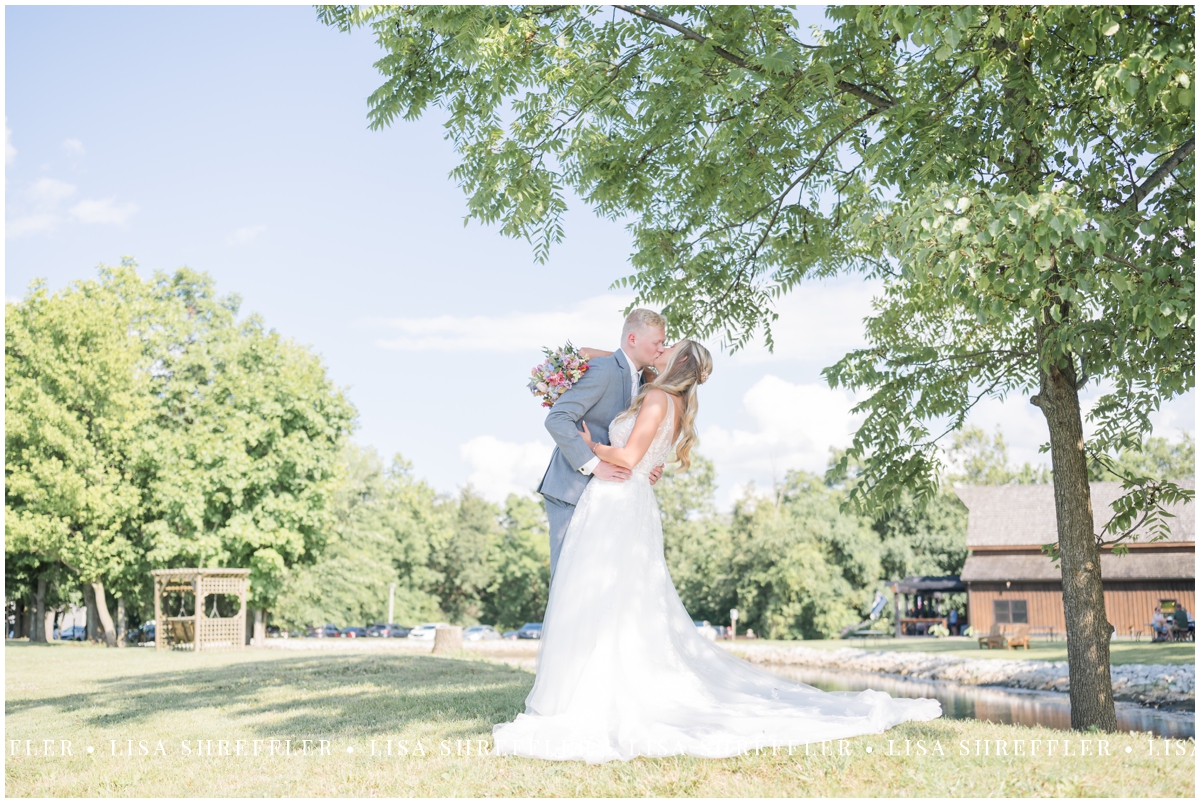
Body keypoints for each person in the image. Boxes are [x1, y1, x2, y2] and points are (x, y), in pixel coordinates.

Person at [492, 339, 942, 763]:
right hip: (625, 503)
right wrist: (571, 361)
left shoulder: (656, 400)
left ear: (676, 364)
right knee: (617, 598)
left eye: (666, 348)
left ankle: (597, 691)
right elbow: (643, 437)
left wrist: (591, 446)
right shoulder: (671, 400)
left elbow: (629, 460)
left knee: (608, 596)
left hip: (617, 498)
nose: (659, 351)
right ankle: (588, 684)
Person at [536, 309, 667, 580]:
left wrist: (648, 464)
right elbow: (557, 419)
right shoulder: (604, 369)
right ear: (632, 338)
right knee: (569, 584)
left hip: (612, 497)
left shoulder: (646, 383)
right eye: (657, 342)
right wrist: (595, 465)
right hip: (572, 491)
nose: (661, 348)